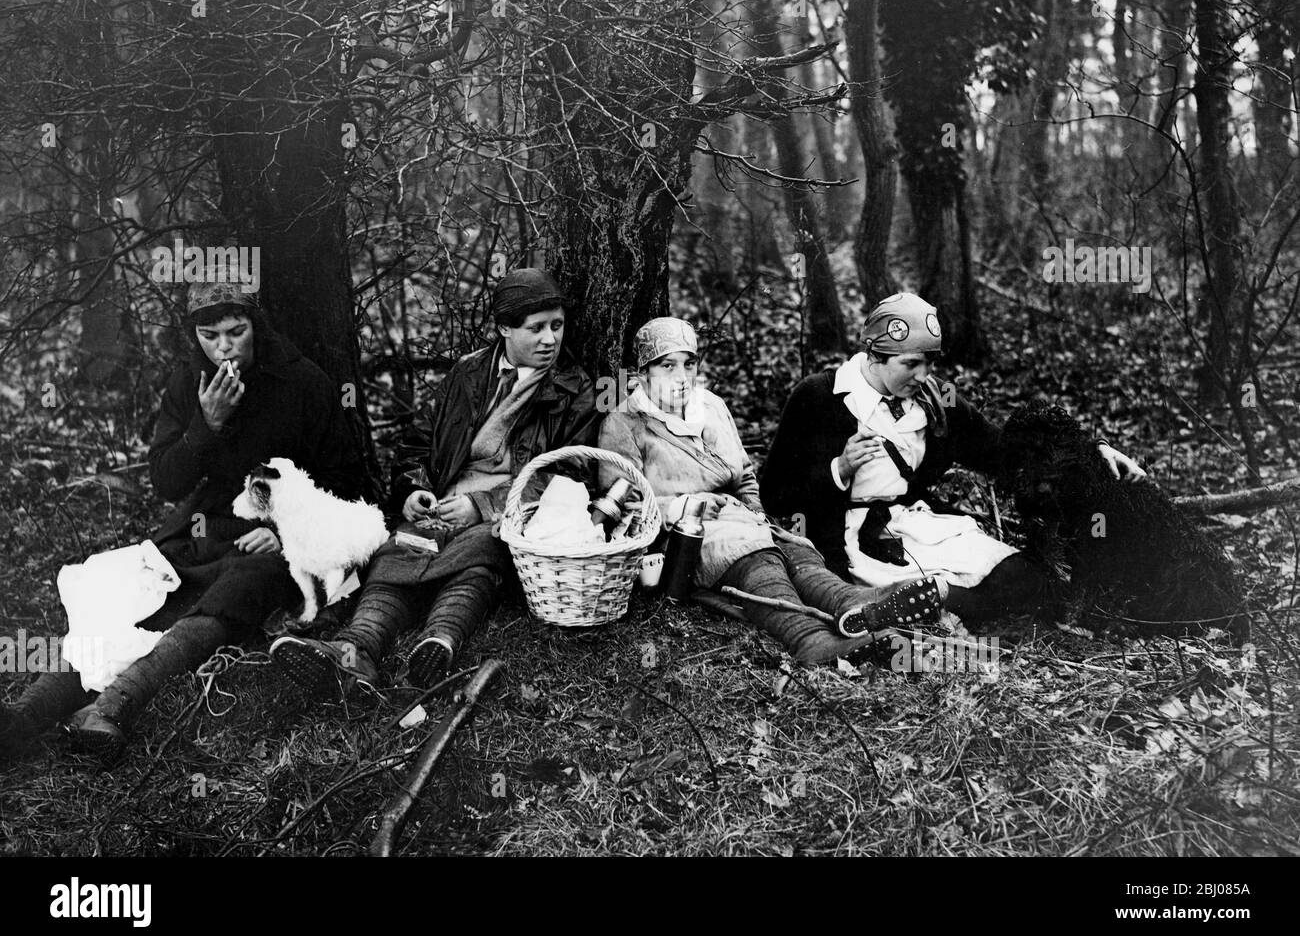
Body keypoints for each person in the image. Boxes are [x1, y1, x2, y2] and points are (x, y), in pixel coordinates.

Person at [0, 276, 366, 762]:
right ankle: (23, 720)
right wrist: (206, 425)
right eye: (209, 336)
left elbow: (345, 482)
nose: (223, 348)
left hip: (272, 543)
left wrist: (284, 532)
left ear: (256, 325)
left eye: (235, 332)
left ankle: (112, 705)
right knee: (134, 595)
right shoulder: (186, 383)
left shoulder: (304, 383)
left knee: (232, 595)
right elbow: (167, 481)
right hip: (203, 526)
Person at [270, 268, 600, 694]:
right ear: (503, 328)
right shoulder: (467, 375)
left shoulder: (575, 391)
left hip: (509, 514)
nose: (550, 339)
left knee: (482, 556)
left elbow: (570, 476)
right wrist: (413, 489)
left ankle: (436, 645)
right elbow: (419, 442)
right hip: (443, 506)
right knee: (395, 553)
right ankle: (354, 651)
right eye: (535, 329)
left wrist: (483, 506)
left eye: (557, 326)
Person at [760, 292, 1146, 625]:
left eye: (930, 362)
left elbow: (1002, 450)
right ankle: (890, 605)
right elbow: (774, 494)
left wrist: (1090, 450)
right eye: (910, 364)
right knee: (848, 592)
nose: (922, 375)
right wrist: (838, 469)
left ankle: (937, 597)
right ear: (874, 355)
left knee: (1028, 578)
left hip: (913, 525)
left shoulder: (935, 398)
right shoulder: (820, 396)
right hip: (843, 536)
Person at [597, 317, 946, 665]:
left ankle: (853, 604)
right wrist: (685, 504)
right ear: (643, 373)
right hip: (680, 537)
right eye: (667, 366)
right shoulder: (625, 422)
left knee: (796, 551)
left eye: (690, 364)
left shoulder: (711, 407)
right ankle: (810, 640)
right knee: (757, 559)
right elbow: (624, 504)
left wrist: (757, 515)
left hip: (738, 519)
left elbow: (745, 474)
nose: (681, 377)